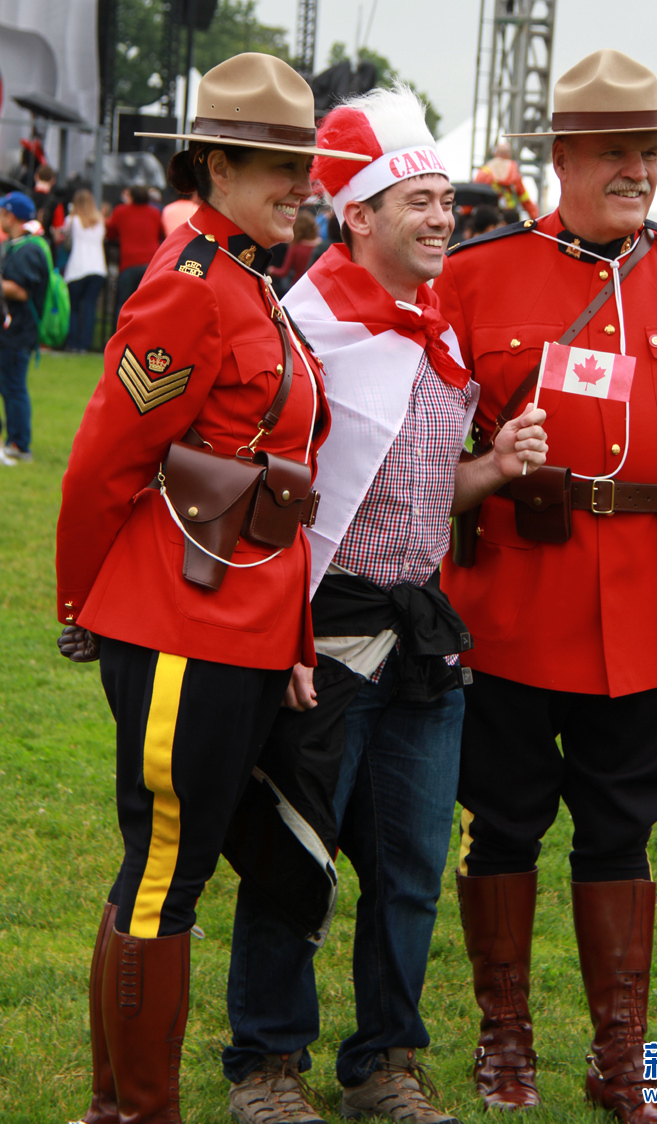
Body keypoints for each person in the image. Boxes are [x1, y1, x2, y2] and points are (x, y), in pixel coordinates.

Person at [433, 49, 657, 1121]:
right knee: (500, 823)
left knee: (619, 832)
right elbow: (419, 447)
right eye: (612, 151)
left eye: (646, 150)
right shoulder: (475, 274)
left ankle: (619, 1059)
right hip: (506, 599)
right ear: (562, 155)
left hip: (640, 606)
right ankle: (504, 1044)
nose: (635, 169)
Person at [220, 84, 547, 1124]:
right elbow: (267, 505)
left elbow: (410, 489)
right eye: (420, 200)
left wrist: (488, 468)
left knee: (407, 867)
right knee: (294, 857)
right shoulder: (300, 328)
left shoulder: (435, 326)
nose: (444, 217)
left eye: (448, 200)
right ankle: (267, 1065)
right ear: (355, 213)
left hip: (420, 636)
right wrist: (278, 633)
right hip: (321, 635)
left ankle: (383, 1063)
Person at [55, 52, 366, 1124]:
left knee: (168, 869)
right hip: (178, 620)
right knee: (164, 874)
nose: (301, 183)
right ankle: (139, 1110)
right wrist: (77, 601)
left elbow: (280, 487)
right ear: (216, 164)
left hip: (239, 622)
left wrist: (289, 631)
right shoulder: (189, 287)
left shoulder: (247, 280)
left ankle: (116, 1104)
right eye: (279, 165)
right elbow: (105, 462)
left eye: (305, 164)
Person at [0, 191, 48, 464]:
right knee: (9, 385)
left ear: (10, 215)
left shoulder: (28, 248)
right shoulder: (21, 244)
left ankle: (19, 444)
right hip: (11, 330)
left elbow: (20, 291)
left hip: (18, 331)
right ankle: (14, 441)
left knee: (14, 387)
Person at [105, 183, 165, 323]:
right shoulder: (155, 213)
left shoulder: (121, 211)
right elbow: (161, 234)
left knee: (123, 303)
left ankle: (119, 337)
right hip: (151, 263)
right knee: (147, 304)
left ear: (131, 197)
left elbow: (111, 232)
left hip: (129, 263)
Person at [63, 188, 108, 353]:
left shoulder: (72, 220)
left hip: (77, 268)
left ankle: (73, 343)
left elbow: (63, 237)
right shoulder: (100, 221)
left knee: (74, 309)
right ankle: (85, 344)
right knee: (90, 307)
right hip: (97, 267)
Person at [474, 141, 538, 220]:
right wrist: (535, 218)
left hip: (488, 219)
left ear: (495, 154)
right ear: (509, 155)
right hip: (509, 218)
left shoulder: (483, 172)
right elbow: (524, 198)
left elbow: (473, 196)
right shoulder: (513, 172)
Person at [268, 207, 320, 295]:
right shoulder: (320, 246)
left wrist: (271, 270)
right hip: (316, 288)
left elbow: (284, 272)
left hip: (298, 287)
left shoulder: (295, 247)